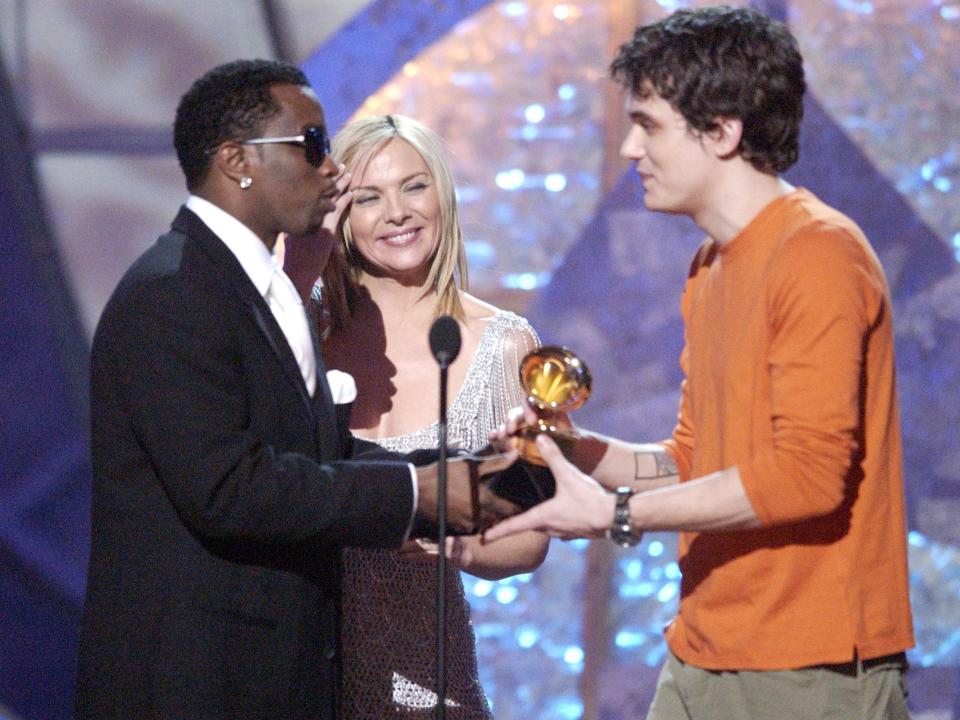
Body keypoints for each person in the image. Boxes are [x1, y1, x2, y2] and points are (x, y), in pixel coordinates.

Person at [486, 7, 914, 719]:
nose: (629, 147)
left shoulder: (819, 255)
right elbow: (695, 456)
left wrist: (617, 515)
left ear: (722, 130)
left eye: (648, 124)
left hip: (809, 672)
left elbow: (807, 476)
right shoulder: (710, 266)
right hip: (700, 654)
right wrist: (573, 449)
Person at [75, 59, 519, 720]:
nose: (331, 169)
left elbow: (320, 449)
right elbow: (229, 489)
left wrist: (449, 481)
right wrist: (419, 492)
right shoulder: (175, 293)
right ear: (238, 160)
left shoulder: (253, 288)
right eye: (312, 145)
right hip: (195, 686)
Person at [284, 113, 548, 718]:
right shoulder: (296, 325)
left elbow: (531, 536)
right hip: (296, 665)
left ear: (443, 196)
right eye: (369, 197)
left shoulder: (504, 344)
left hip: (425, 675)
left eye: (414, 186)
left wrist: (461, 549)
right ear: (340, 213)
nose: (397, 212)